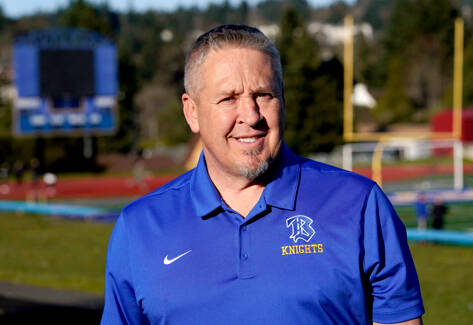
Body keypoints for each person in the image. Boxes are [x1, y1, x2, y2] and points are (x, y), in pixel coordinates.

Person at [102, 24, 424, 325]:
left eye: (263, 95)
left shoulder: (359, 206)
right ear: (192, 111)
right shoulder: (139, 228)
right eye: (229, 98)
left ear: (283, 98)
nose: (251, 115)